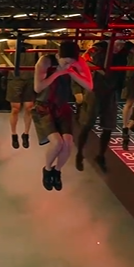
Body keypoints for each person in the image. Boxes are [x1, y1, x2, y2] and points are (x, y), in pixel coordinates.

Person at [33, 41, 93, 191]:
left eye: (71, 62)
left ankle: (57, 171)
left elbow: (89, 86)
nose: (68, 65)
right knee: (57, 142)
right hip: (44, 105)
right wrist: (57, 73)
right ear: (58, 55)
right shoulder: (45, 61)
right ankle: (47, 169)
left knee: (68, 142)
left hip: (62, 105)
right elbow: (38, 87)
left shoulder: (78, 62)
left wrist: (72, 72)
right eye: (65, 62)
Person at [73, 41, 127, 172]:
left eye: (122, 45)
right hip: (94, 91)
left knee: (108, 127)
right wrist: (100, 70)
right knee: (87, 125)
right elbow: (81, 61)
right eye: (117, 44)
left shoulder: (123, 53)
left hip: (111, 92)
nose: (119, 47)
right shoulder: (97, 48)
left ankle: (101, 156)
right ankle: (79, 154)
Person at [0, 39, 42, 149]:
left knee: (29, 107)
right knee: (15, 108)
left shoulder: (34, 38)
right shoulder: (11, 38)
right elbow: (6, 44)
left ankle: (26, 134)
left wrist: (27, 39)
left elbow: (43, 42)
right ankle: (14, 134)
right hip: (15, 77)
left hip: (30, 77)